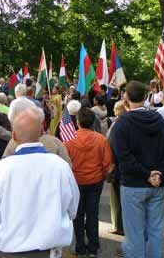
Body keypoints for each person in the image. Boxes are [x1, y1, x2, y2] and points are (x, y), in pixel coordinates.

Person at [0, 107, 79, 258]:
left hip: (11, 251)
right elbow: (72, 209)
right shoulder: (60, 167)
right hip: (49, 252)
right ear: (41, 132)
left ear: (14, 135)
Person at [110, 81, 164, 258]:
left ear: (126, 98)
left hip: (134, 185)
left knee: (134, 234)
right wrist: (157, 173)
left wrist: (151, 174)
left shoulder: (122, 124)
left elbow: (122, 158)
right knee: (155, 231)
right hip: (156, 184)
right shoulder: (160, 122)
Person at [64, 107, 112, 257]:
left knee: (77, 215)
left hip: (77, 182)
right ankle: (93, 246)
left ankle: (80, 246)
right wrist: (102, 175)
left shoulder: (69, 141)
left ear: (77, 122)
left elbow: (65, 163)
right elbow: (107, 164)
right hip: (95, 181)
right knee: (93, 213)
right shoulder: (101, 140)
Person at [3, 99, 72, 166]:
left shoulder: (11, 145)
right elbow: (68, 167)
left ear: (14, 135)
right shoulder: (55, 142)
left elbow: (4, 167)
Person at [107, 100, 127, 236]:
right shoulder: (128, 123)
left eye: (116, 108)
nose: (114, 110)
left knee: (116, 199)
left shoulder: (117, 124)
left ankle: (118, 226)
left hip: (116, 164)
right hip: (125, 165)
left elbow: (110, 143)